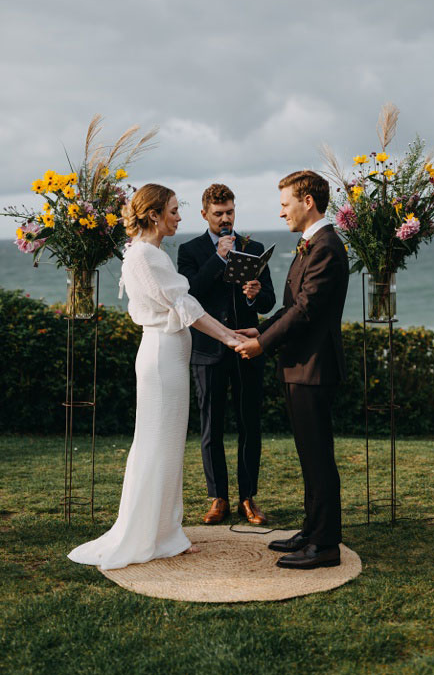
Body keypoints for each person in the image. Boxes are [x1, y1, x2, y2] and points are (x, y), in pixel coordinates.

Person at [68, 184, 247, 570]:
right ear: (153, 215)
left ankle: (165, 531)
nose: (179, 217)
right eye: (173, 210)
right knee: (157, 445)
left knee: (165, 446)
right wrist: (230, 337)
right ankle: (154, 534)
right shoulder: (147, 256)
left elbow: (184, 306)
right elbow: (187, 307)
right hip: (163, 361)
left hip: (166, 357)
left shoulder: (147, 253)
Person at [235, 170, 349, 570]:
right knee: (308, 455)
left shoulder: (327, 248)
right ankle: (311, 531)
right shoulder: (311, 244)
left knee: (318, 458)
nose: (280, 211)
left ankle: (325, 546)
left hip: (313, 367)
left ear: (308, 202)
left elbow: (307, 310)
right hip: (299, 365)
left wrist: (262, 345)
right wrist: (260, 329)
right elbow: (292, 306)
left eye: (285, 204)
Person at [177, 183, 276, 525]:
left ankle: (248, 498)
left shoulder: (255, 247)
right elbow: (190, 294)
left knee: (250, 424)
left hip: (248, 347)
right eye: (218, 213)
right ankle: (218, 497)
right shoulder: (189, 251)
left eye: (230, 212)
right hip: (208, 350)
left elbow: (269, 303)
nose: (225, 219)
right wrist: (219, 257)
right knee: (211, 425)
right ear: (204, 214)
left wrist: (254, 293)